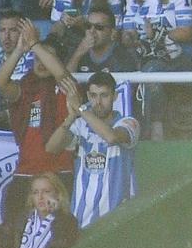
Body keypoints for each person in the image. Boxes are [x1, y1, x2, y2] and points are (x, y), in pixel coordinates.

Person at [53, 70, 138, 227]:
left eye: (104, 95)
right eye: (93, 95)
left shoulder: (128, 123)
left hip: (117, 220)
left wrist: (80, 109)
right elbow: (52, 147)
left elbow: (111, 137)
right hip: (80, 219)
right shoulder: (80, 124)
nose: (98, 101)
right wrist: (71, 116)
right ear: (88, 96)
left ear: (115, 96)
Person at [0, 172, 77, 248]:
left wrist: (57, 211)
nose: (40, 197)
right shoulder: (17, 221)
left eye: (46, 191)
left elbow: (63, 242)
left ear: (57, 194)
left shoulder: (67, 221)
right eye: (35, 192)